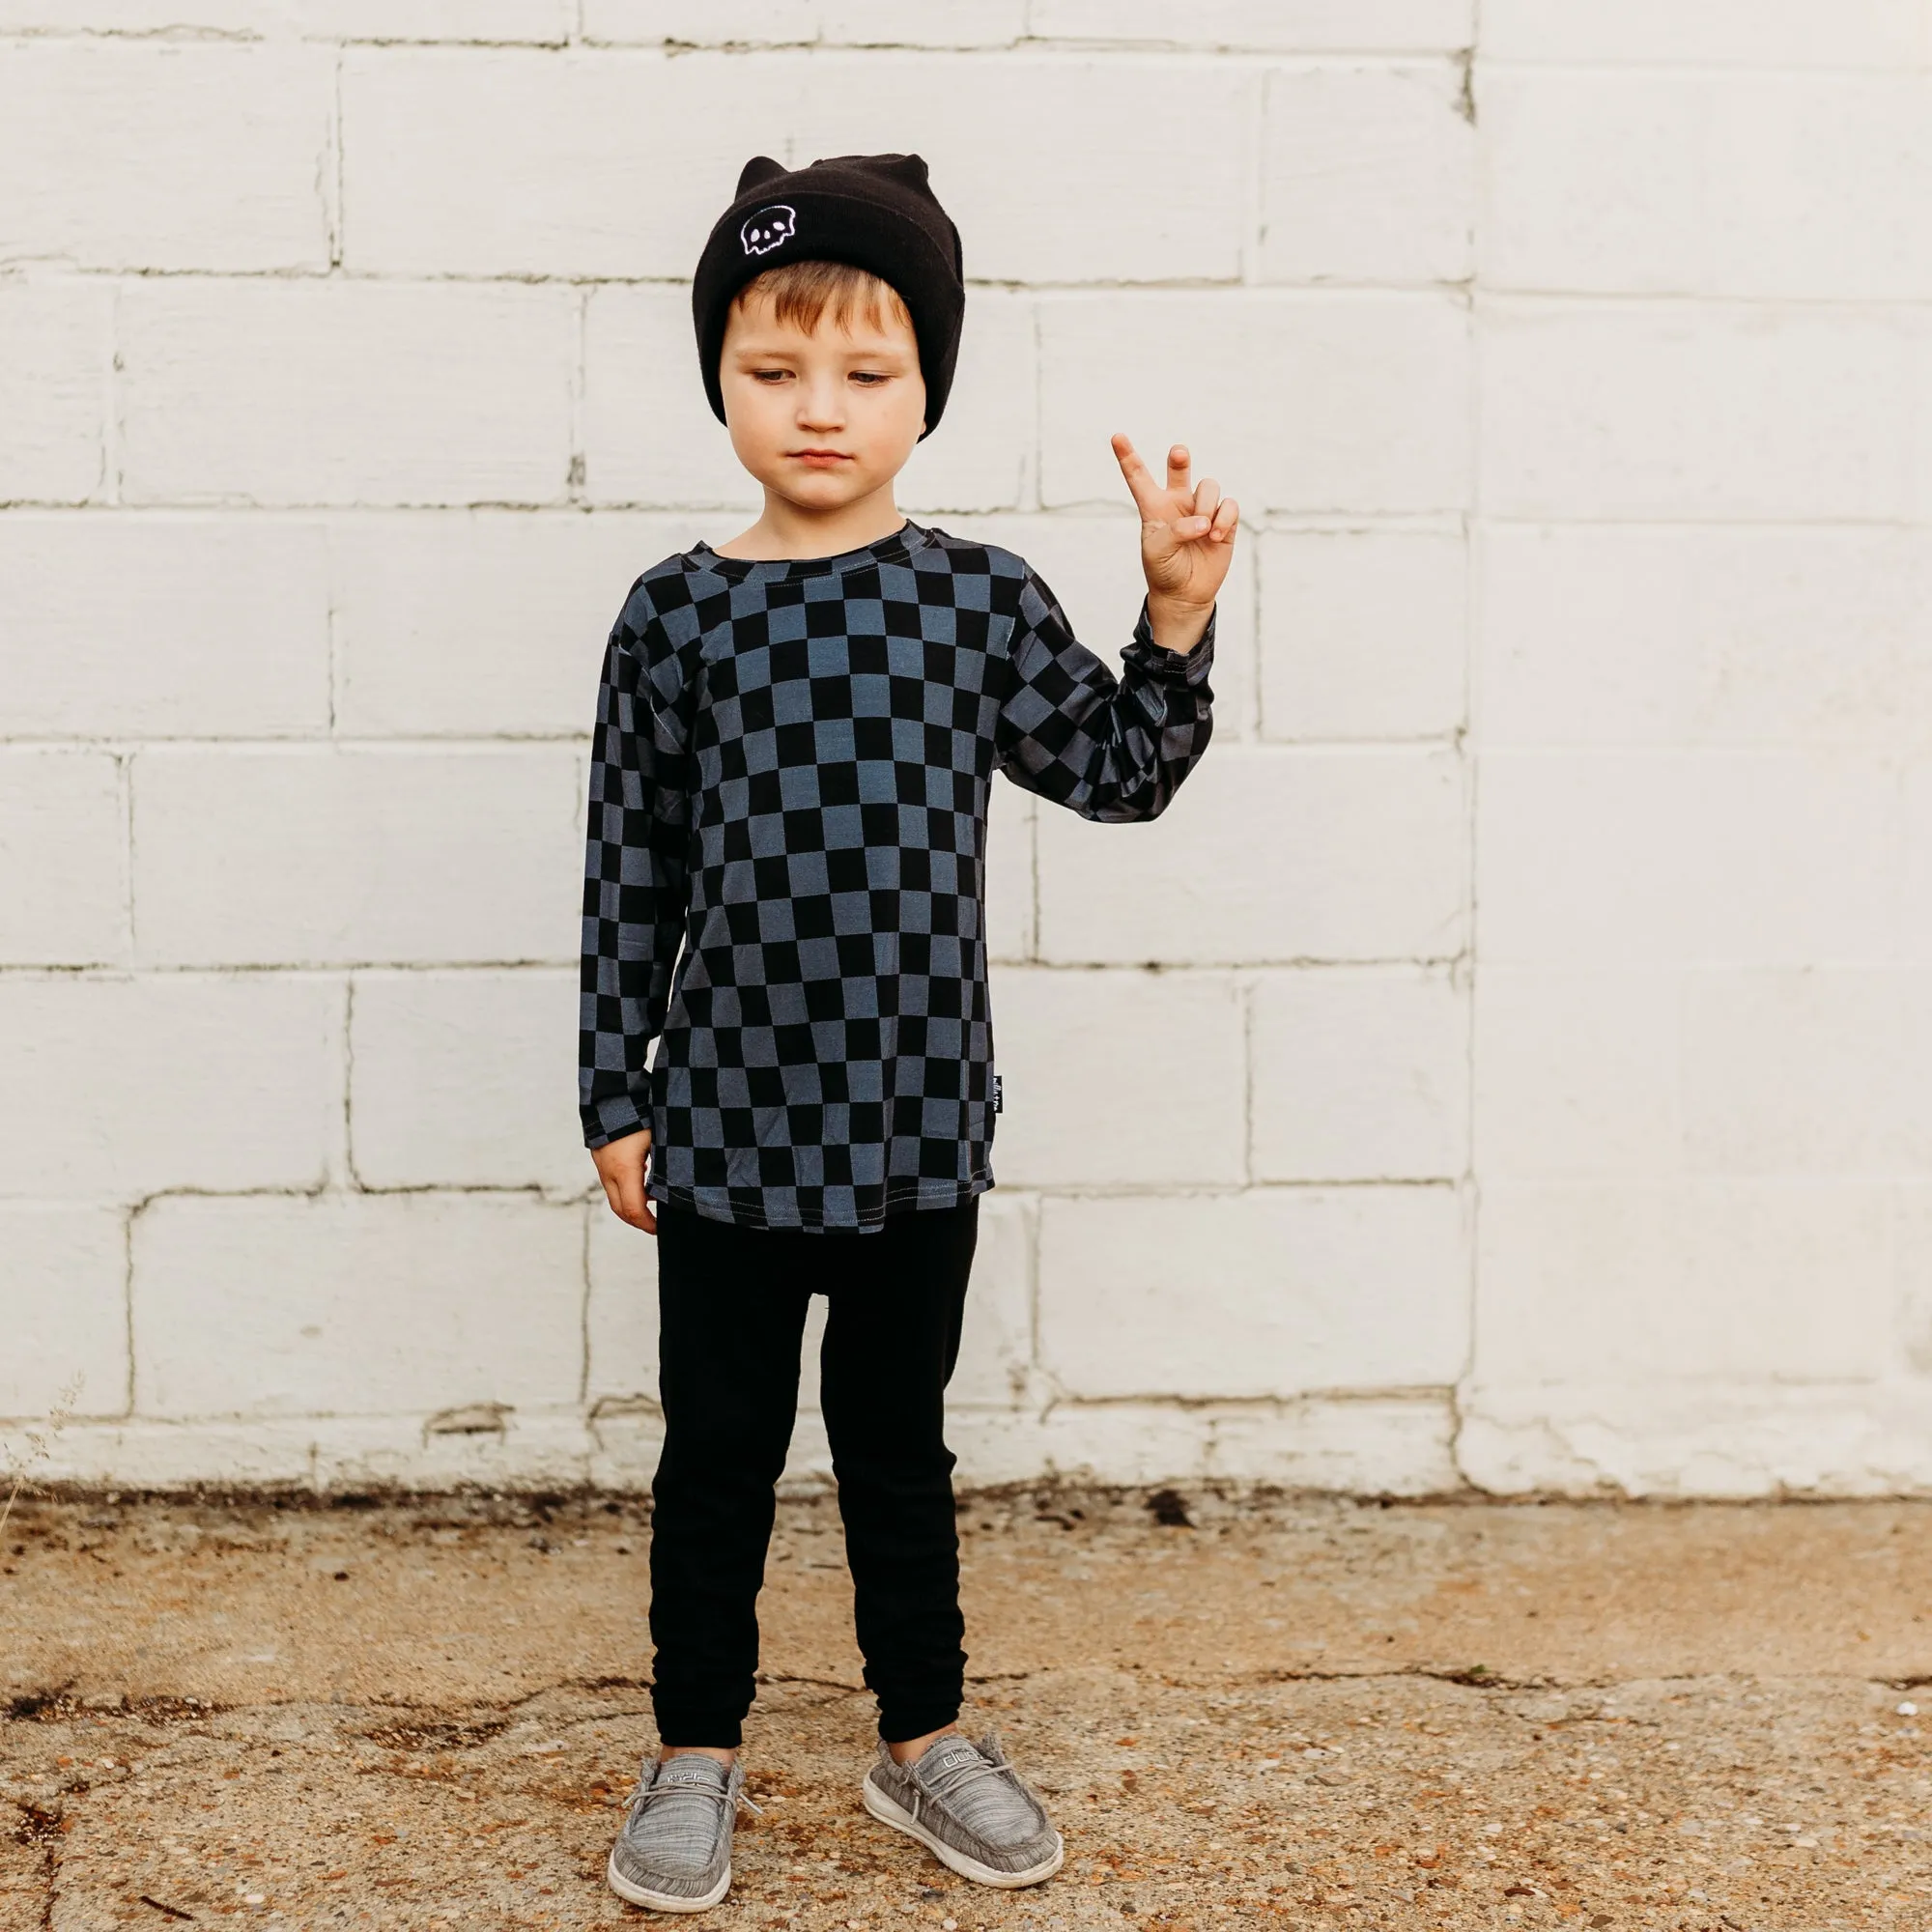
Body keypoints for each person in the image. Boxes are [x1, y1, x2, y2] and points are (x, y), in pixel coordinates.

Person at [579, 151, 1237, 1914]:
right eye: (772, 368)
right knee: (715, 1455)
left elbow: (1120, 775)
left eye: (866, 372)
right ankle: (693, 1755)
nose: (818, 409)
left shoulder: (974, 599)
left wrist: (1172, 616)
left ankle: (922, 1737)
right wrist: (611, 1093)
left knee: (897, 1450)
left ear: (926, 385)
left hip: (916, 1126)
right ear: (717, 373)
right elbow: (629, 869)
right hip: (720, 1125)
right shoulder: (677, 617)